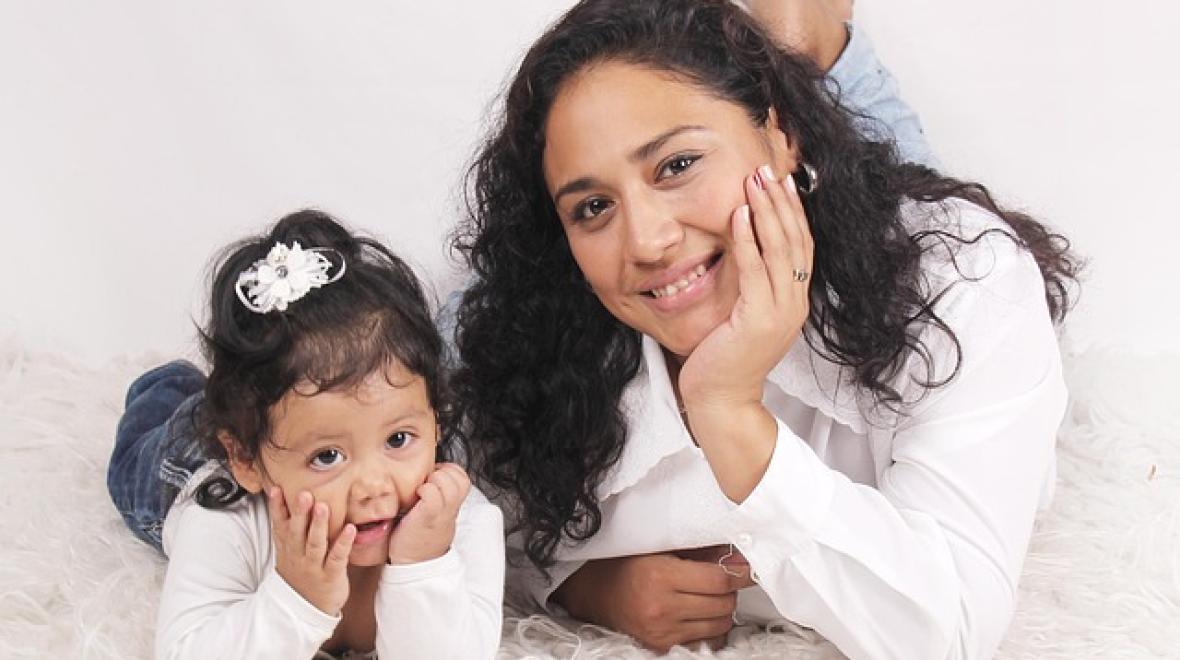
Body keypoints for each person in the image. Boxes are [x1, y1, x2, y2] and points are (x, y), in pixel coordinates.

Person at [449, 0, 1079, 658]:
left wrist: (729, 413)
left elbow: (946, 628)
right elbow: (467, 531)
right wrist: (579, 588)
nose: (647, 241)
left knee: (868, 161)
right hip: (680, 251)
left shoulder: (965, 281)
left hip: (840, 218)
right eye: (593, 206)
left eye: (676, 165)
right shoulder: (525, 349)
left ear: (780, 136)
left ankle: (811, 42)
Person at [107, 211, 504, 659]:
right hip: (190, 457)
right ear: (246, 460)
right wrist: (295, 596)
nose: (373, 486)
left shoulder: (466, 524)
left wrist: (423, 566)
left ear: (436, 418)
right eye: (327, 456)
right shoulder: (226, 518)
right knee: (149, 441)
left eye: (398, 440)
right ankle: (165, 383)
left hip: (274, 423)